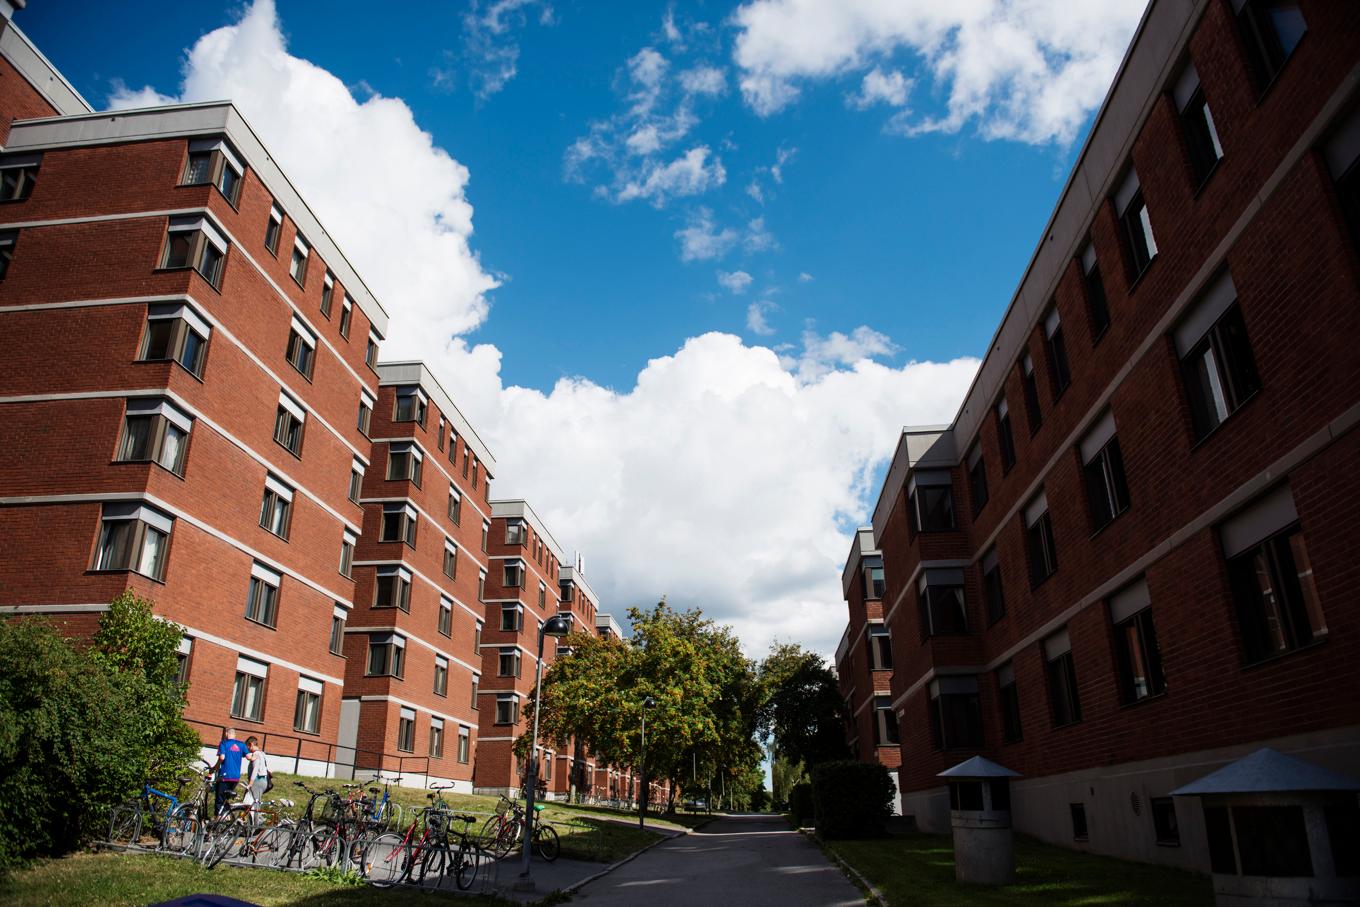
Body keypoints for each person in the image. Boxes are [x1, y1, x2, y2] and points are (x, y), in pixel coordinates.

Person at [213, 728, 246, 816]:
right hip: (235, 778)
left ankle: (217, 823)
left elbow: (222, 757)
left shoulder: (223, 743)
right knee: (226, 800)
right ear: (235, 735)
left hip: (224, 776)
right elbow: (250, 756)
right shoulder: (241, 744)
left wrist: (214, 768)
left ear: (227, 734)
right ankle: (227, 820)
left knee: (219, 800)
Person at [240, 736, 270, 819]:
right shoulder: (262, 754)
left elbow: (255, 770)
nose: (248, 749)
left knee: (255, 806)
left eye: (248, 747)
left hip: (257, 781)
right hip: (262, 781)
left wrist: (250, 783)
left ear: (251, 744)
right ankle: (251, 824)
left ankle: (254, 827)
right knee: (254, 804)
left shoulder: (256, 754)